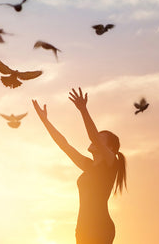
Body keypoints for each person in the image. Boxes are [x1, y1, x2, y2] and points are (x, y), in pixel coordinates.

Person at [32, 88, 127, 244]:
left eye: (100, 139)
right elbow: (64, 145)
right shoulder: (89, 166)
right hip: (83, 228)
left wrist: (83, 110)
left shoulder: (111, 164)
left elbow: (93, 136)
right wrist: (45, 121)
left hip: (100, 228)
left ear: (110, 149)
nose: (94, 140)